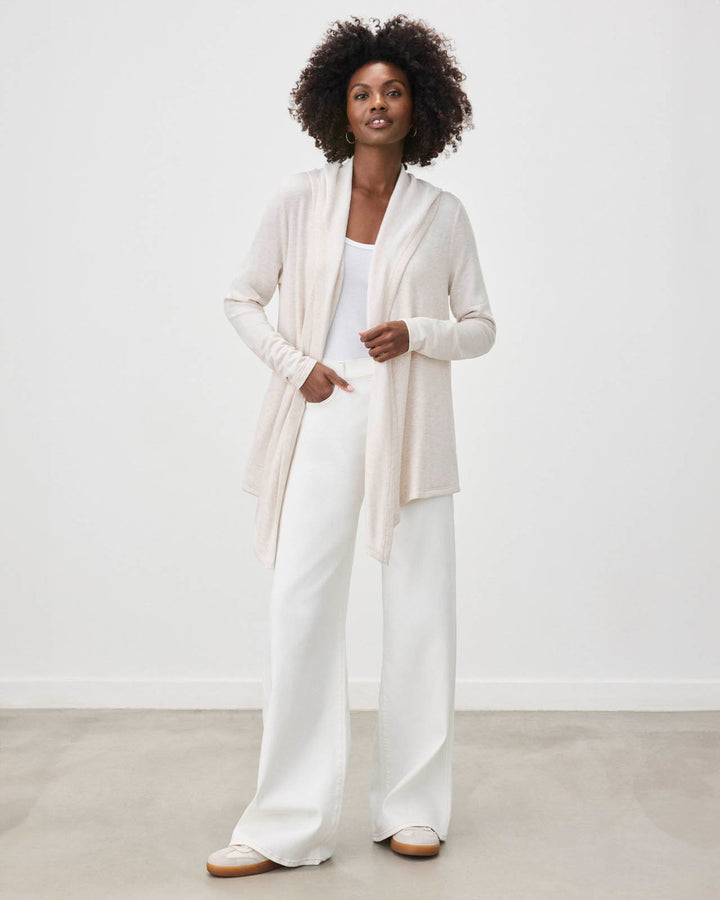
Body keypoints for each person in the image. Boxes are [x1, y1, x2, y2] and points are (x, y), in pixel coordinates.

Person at [207, 14, 497, 878]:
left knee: (420, 610)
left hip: (411, 428)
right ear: (340, 105)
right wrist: (298, 367)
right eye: (364, 92)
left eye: (393, 91)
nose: (378, 104)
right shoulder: (301, 197)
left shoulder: (442, 214)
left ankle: (413, 807)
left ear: (419, 107)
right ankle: (285, 822)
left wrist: (418, 332)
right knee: (300, 605)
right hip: (324, 413)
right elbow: (241, 297)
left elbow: (481, 327)